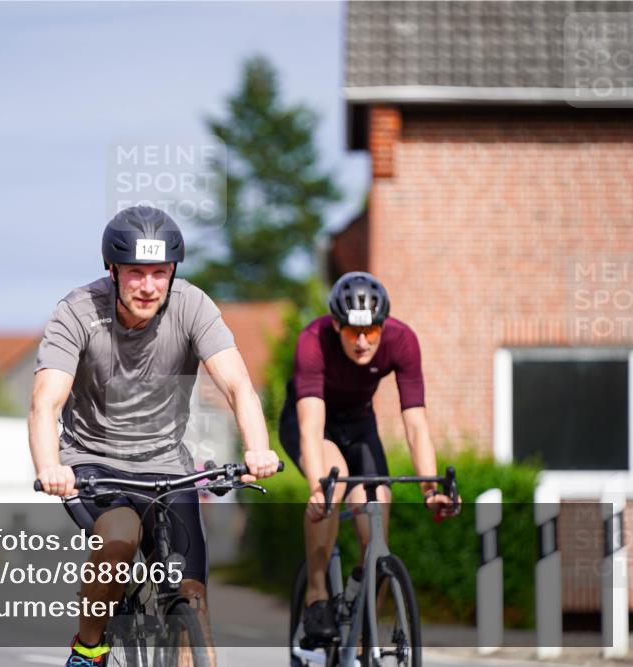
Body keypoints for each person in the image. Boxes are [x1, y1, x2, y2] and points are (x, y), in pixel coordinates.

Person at [29, 205, 280, 667]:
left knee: (191, 597)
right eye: (135, 273)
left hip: (167, 465)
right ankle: (88, 650)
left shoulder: (192, 306)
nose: (148, 286)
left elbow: (237, 384)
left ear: (173, 271)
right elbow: (46, 402)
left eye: (159, 273)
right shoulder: (78, 311)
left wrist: (257, 448)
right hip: (93, 463)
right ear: (113, 270)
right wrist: (50, 466)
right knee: (121, 536)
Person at [278, 271, 457, 645]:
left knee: (377, 517)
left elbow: (416, 424)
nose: (362, 342)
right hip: (312, 423)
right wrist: (316, 489)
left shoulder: (403, 340)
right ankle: (316, 593)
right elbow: (312, 427)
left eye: (371, 332)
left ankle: (364, 634)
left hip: (360, 427)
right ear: (336, 325)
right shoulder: (313, 340)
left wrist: (429, 487)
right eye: (352, 332)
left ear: (383, 326)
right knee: (333, 480)